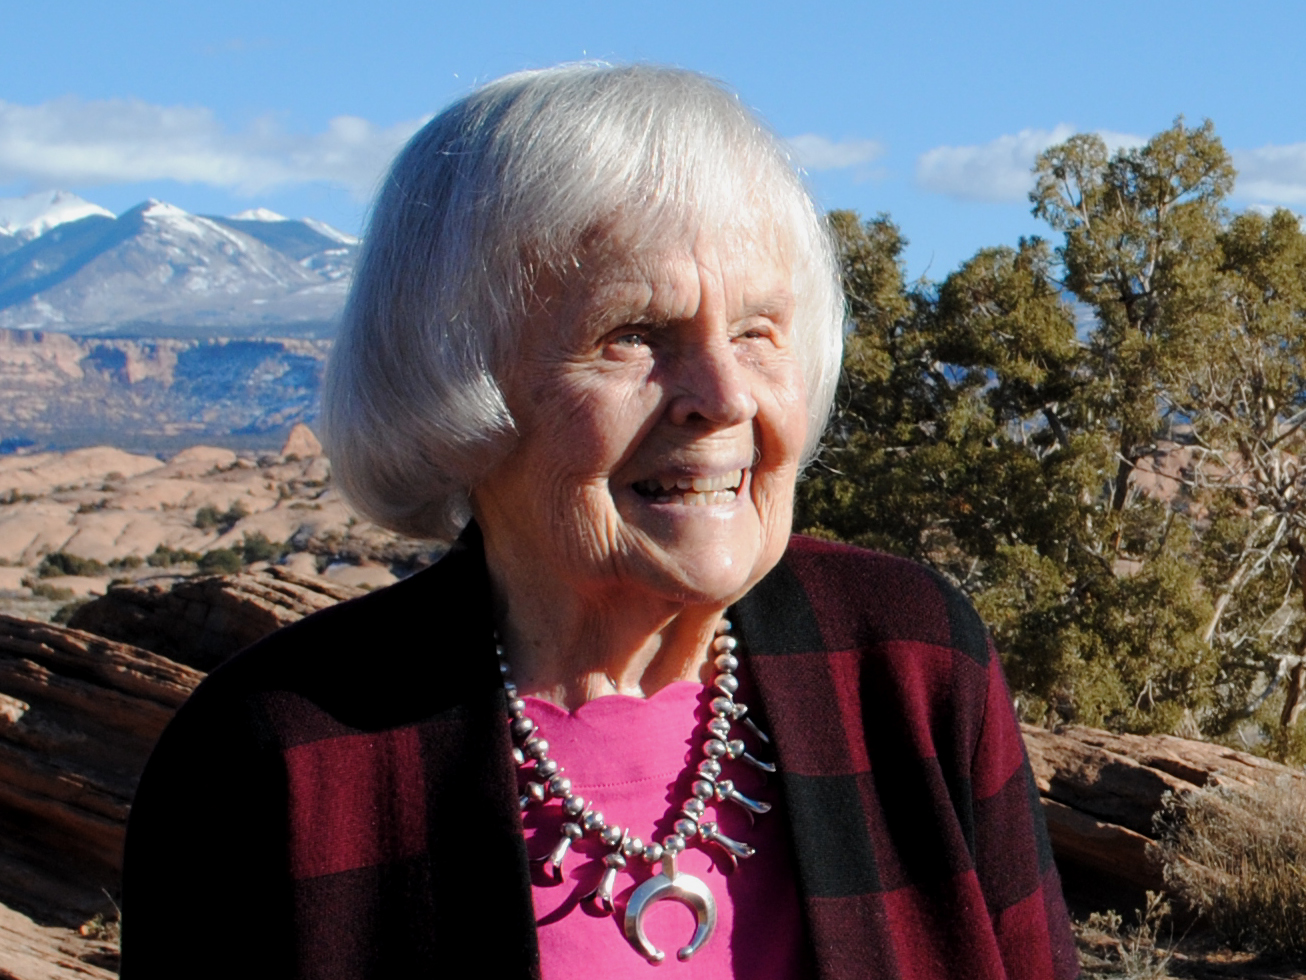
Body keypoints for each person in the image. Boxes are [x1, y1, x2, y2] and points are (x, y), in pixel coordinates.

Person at [121, 64, 1078, 979]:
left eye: (756, 330)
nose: (724, 396)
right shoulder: (276, 762)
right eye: (634, 335)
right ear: (461, 380)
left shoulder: (908, 666)